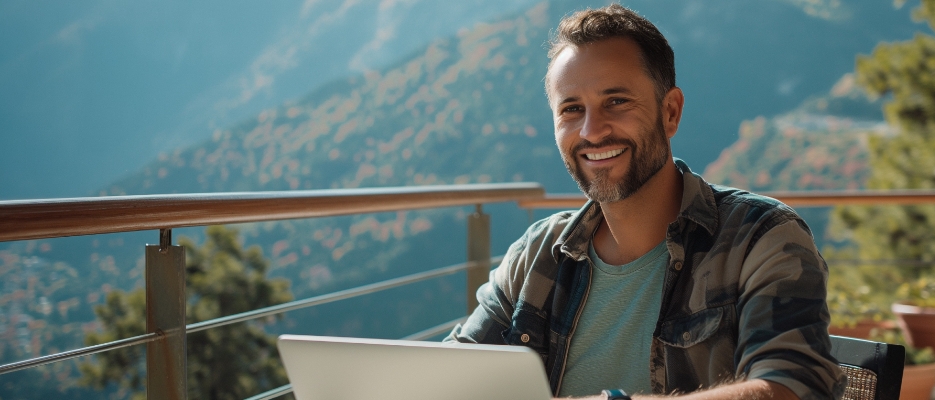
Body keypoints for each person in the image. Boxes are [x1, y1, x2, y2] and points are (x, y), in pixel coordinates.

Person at [444, 4, 845, 400]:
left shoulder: (761, 238)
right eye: (571, 109)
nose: (592, 130)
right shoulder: (536, 256)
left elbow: (794, 387)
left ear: (670, 112)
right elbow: (446, 376)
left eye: (616, 101)